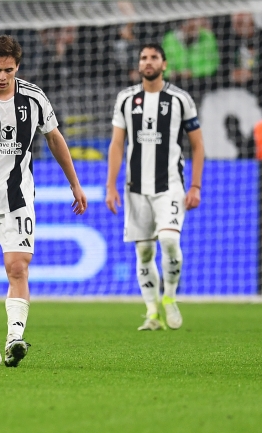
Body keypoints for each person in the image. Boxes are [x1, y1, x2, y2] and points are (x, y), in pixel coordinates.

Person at [0, 35, 88, 367]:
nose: (2, 76)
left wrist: (75, 184)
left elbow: (55, 139)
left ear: (17, 67)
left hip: (18, 197)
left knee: (17, 266)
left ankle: (14, 339)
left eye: (8, 70)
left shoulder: (34, 98)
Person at [105, 44, 204, 331]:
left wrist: (195, 186)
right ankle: (151, 312)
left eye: (154, 58)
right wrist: (110, 185)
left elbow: (198, 145)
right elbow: (116, 143)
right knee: (145, 253)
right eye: (144, 58)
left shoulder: (180, 99)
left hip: (170, 185)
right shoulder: (125, 99)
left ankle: (170, 297)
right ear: (139, 65)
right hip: (135, 188)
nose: (148, 62)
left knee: (169, 242)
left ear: (164, 64)